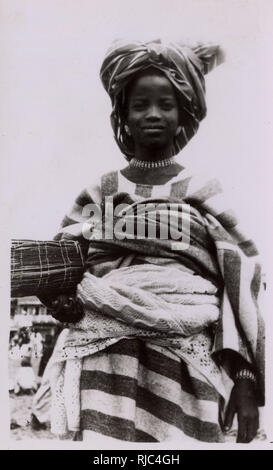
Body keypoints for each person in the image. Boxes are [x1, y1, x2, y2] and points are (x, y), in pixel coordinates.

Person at [38, 39, 264, 443]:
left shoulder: (203, 189)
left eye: (166, 104)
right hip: (105, 356)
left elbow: (241, 278)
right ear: (123, 114)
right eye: (140, 105)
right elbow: (56, 264)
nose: (153, 114)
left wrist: (245, 375)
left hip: (188, 360)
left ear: (184, 116)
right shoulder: (100, 191)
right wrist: (61, 299)